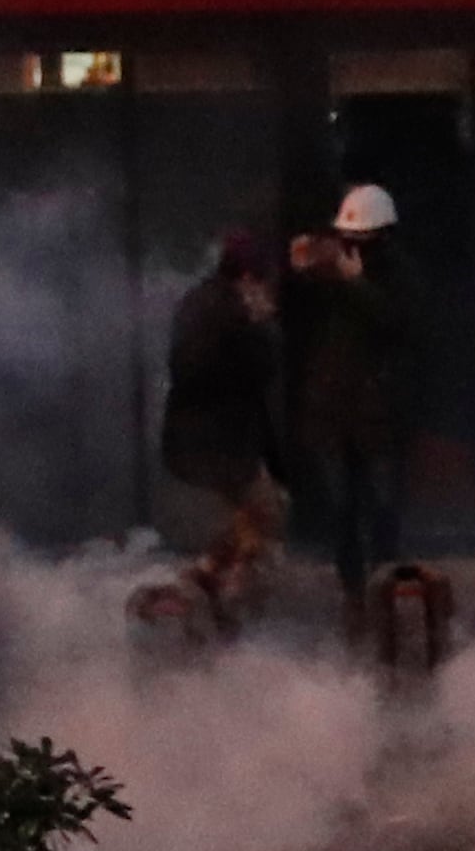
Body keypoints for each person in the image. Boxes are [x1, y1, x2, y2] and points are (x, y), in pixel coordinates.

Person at [282, 184, 416, 609]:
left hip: (375, 415)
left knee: (380, 507)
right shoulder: (328, 275)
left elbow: (398, 323)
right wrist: (301, 267)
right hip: (331, 414)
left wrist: (355, 284)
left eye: (362, 237)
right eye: (348, 237)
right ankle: (354, 592)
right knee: (342, 510)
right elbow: (294, 296)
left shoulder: (398, 275)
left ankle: (386, 586)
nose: (352, 245)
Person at [158, 231, 285, 610]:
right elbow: (257, 372)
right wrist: (260, 326)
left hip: (201, 443)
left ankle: (208, 585)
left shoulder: (200, 302)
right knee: (266, 517)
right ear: (249, 278)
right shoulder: (231, 313)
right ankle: (213, 595)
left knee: (251, 523)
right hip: (218, 446)